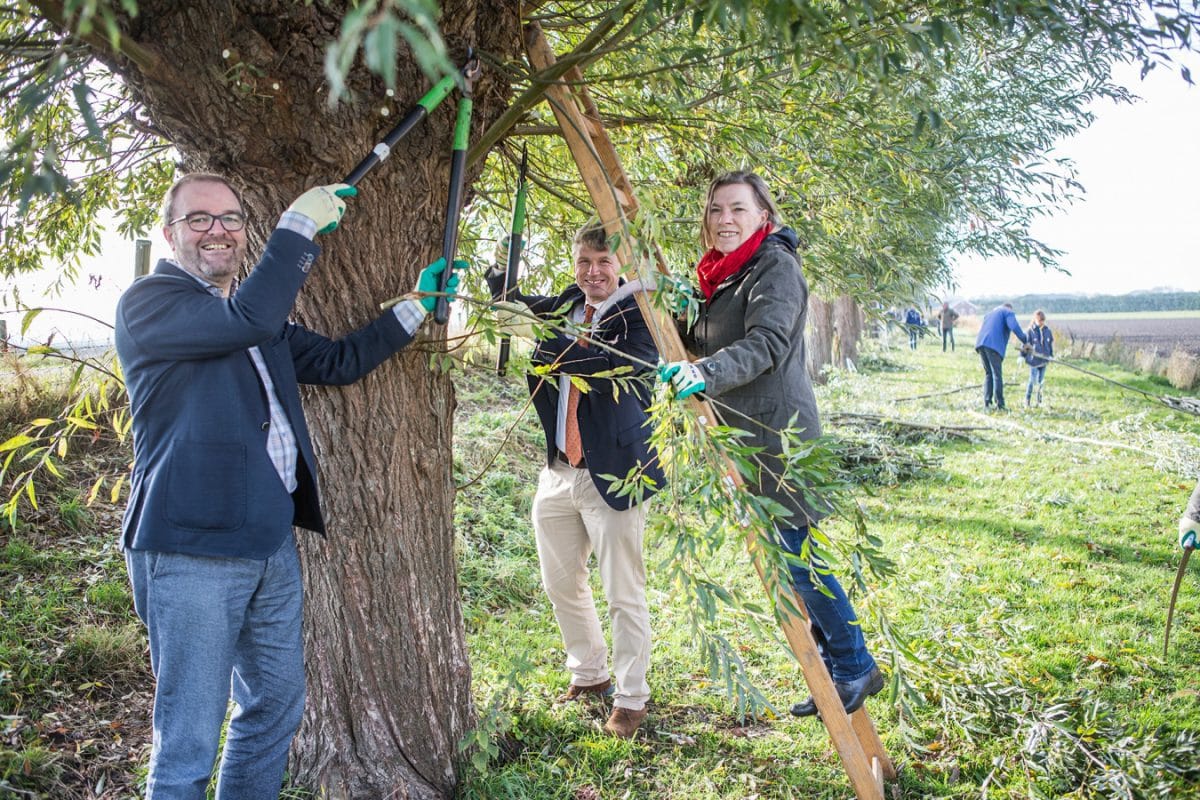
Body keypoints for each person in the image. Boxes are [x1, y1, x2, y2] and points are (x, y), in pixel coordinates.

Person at [114, 173, 462, 799]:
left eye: (230, 219)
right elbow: (246, 320)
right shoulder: (152, 304)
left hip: (270, 546)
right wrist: (298, 230)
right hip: (190, 553)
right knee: (188, 741)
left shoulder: (252, 315)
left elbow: (338, 362)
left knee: (274, 709)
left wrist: (416, 305)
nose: (217, 230)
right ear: (169, 235)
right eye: (198, 219)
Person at [658, 171, 883, 719]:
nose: (724, 219)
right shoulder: (722, 276)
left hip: (779, 439)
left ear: (764, 216)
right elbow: (709, 335)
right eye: (715, 210)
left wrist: (703, 371)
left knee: (801, 559)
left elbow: (767, 343)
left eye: (737, 209)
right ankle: (838, 664)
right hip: (745, 439)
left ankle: (855, 666)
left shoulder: (774, 267)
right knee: (790, 562)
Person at [486, 223, 665, 739]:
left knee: (623, 593)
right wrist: (502, 269)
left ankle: (631, 699)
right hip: (559, 470)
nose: (593, 273)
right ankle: (589, 675)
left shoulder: (638, 313)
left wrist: (549, 346)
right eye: (585, 261)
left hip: (616, 471)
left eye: (604, 262)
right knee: (560, 581)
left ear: (621, 265)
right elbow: (514, 305)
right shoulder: (566, 303)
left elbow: (613, 364)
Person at [974, 302, 1030, 411]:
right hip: (993, 345)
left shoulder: (990, 314)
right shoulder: (1007, 312)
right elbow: (1014, 326)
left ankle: (987, 403)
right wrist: (1025, 340)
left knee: (988, 374)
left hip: (981, 343)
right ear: (1009, 308)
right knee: (997, 375)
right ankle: (1000, 404)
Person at [1024, 309, 1053, 407]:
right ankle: (1027, 401)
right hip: (1034, 361)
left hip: (1044, 361)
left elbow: (1049, 345)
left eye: (1043, 321)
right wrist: (1022, 356)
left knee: (1041, 382)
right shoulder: (1030, 331)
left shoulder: (1047, 331)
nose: (1041, 323)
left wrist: (1051, 356)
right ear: (1035, 320)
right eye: (1040, 321)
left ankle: (1039, 402)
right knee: (1032, 381)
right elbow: (1026, 345)